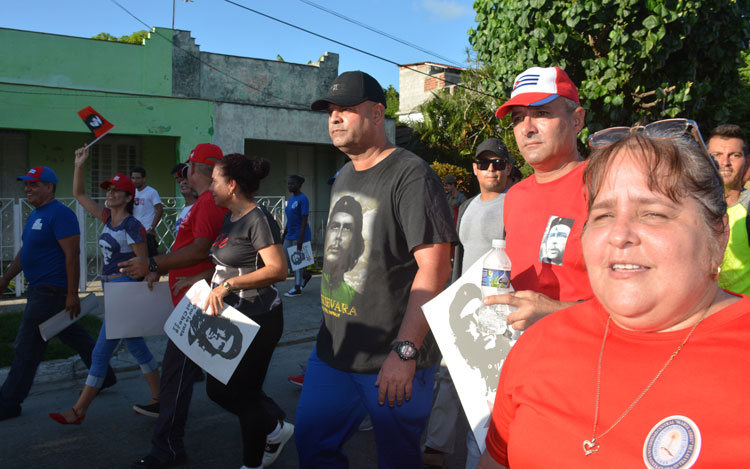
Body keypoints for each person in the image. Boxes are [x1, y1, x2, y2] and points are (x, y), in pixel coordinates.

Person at [478, 121, 750, 468]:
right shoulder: (539, 343)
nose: (618, 235)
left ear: (719, 236)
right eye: (604, 214)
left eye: (653, 213)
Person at [296, 70, 457, 468]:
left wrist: (404, 352)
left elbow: (435, 269)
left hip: (392, 357)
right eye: (330, 111)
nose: (334, 118)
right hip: (333, 352)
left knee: (397, 459)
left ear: (376, 113)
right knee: (312, 444)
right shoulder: (344, 175)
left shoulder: (410, 175)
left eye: (345, 110)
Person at [173, 153, 293, 469]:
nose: (210, 186)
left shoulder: (258, 219)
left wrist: (227, 287)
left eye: (214, 180)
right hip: (232, 319)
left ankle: (252, 462)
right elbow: (227, 264)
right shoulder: (231, 217)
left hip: (259, 319)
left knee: (245, 394)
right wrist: (198, 279)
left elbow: (278, 270)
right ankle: (274, 428)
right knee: (218, 390)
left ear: (232, 184)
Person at [48, 147, 160, 425]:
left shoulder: (133, 226)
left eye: (115, 190)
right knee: (137, 348)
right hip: (112, 289)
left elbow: (143, 260)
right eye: (108, 189)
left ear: (127, 197)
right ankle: (163, 397)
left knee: (100, 352)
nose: (109, 193)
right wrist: (78, 165)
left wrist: (143, 280)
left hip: (124, 290)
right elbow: (79, 195)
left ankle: (78, 410)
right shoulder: (108, 218)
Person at [424, 137, 514, 469]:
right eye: (485, 163)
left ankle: (477, 456)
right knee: (447, 381)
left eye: (499, 163)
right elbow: (458, 261)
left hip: (497, 316)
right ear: (474, 168)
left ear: (508, 168)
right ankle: (435, 449)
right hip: (463, 312)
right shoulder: (468, 206)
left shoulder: (515, 204)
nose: (492, 169)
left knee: (486, 396)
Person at [0, 166, 115, 421]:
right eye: (26, 184)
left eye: (33, 184)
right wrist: (7, 277)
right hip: (41, 290)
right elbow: (26, 250)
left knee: (27, 345)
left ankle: (8, 402)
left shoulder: (60, 214)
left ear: (49, 187)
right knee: (73, 334)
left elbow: (72, 254)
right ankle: (104, 376)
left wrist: (72, 293)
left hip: (51, 291)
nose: (27, 189)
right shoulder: (35, 215)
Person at [489, 66, 593, 331]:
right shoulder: (514, 197)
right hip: (521, 359)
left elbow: (642, 301)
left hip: (587, 359)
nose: (527, 129)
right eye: (518, 118)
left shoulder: (605, 187)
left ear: (577, 120)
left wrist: (557, 312)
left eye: (541, 114)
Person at [707, 124, 750, 295]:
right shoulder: (686, 207)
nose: (725, 163)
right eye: (716, 155)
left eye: (734, 155)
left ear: (747, 162)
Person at [282, 174, 313, 297]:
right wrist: (284, 234)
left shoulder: (303, 199)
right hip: (290, 234)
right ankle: (305, 276)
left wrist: (300, 239)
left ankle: (297, 287)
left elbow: (304, 219)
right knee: (285, 260)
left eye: (292, 184)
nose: (290, 186)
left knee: (297, 262)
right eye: (289, 183)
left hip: (300, 235)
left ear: (299, 185)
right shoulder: (291, 199)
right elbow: (289, 219)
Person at [130, 166, 163, 257]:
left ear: (144, 179)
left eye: (138, 178)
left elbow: (159, 210)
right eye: (133, 178)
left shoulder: (151, 192)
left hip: (147, 232)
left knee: (150, 261)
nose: (135, 181)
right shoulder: (131, 192)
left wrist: (152, 228)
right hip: (134, 231)